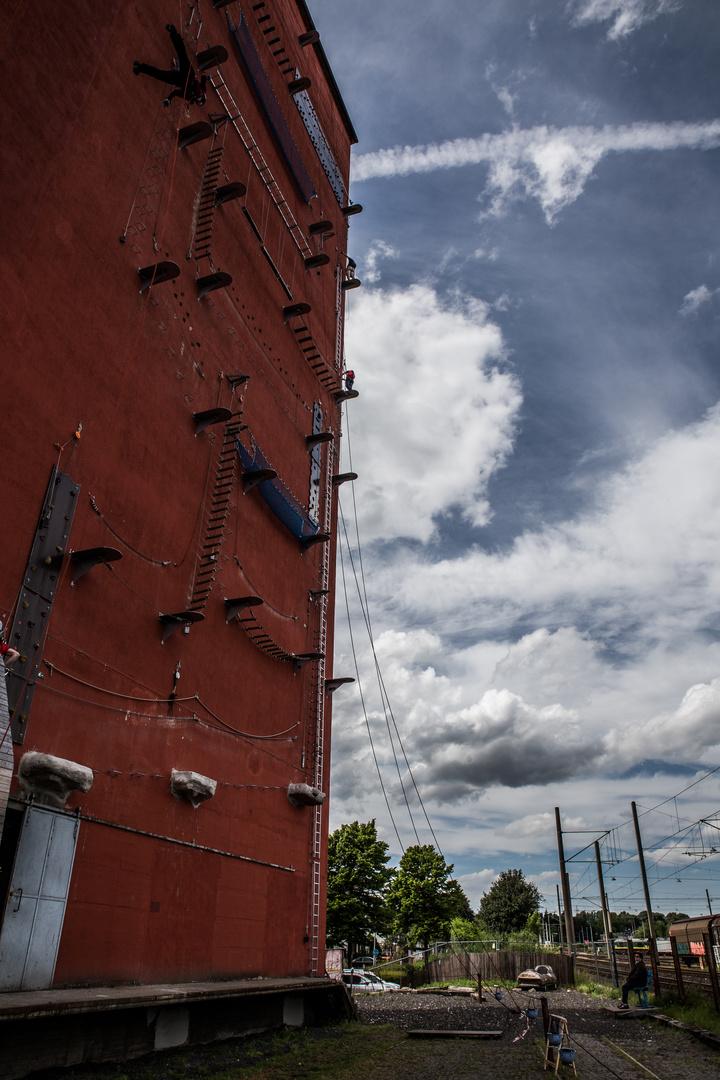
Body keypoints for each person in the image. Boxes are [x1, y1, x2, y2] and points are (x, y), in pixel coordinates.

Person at [134, 25, 207, 108]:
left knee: (160, 75)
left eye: (198, 100)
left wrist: (168, 99)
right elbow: (203, 76)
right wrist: (207, 76)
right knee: (182, 53)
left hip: (178, 79)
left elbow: (176, 92)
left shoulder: (188, 97)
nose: (198, 98)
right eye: (200, 98)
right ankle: (173, 33)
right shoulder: (202, 90)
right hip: (189, 73)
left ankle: (140, 68)